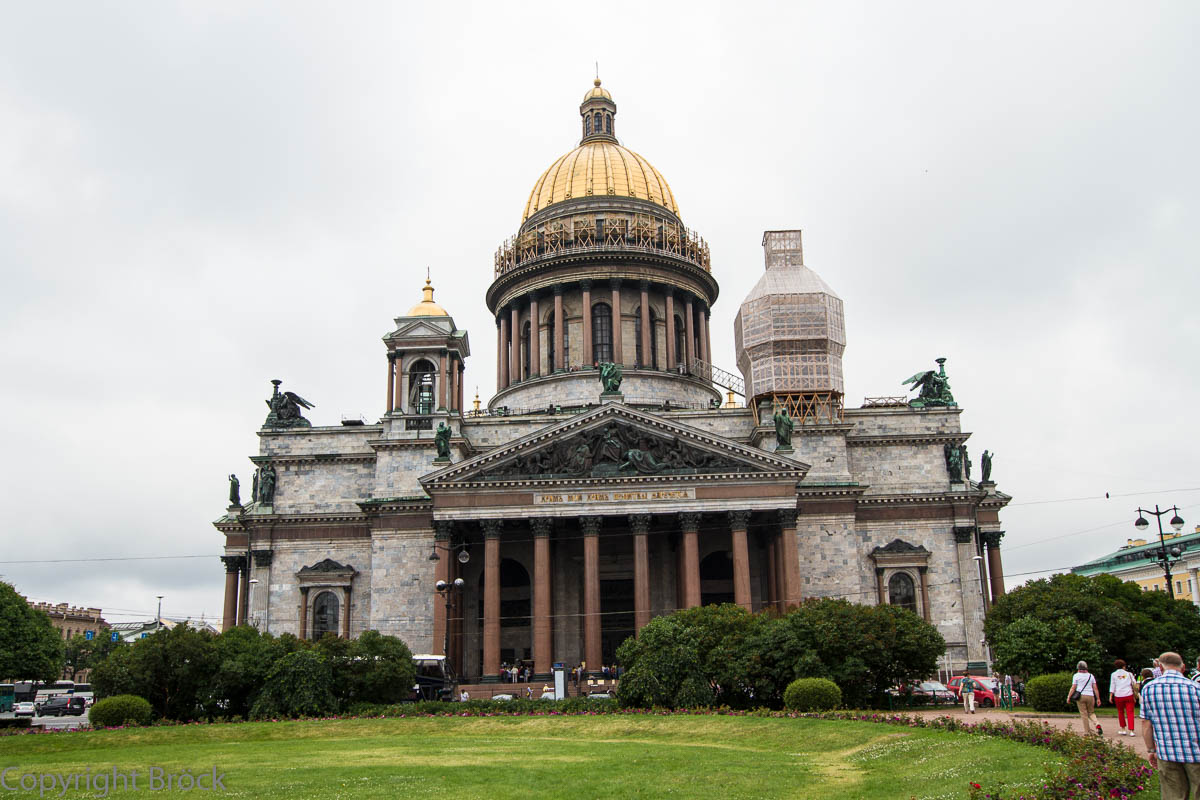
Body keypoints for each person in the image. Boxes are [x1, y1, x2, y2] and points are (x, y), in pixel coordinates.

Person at [1139, 651, 1200, 799]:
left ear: (1160, 668)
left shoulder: (1149, 689)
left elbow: (1146, 723)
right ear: (1183, 668)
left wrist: (1151, 749)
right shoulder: (1195, 688)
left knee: (1173, 795)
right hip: (1196, 751)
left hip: (1167, 751)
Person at [1067, 661, 1103, 736]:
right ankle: (1097, 724)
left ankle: (1087, 731)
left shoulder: (1076, 676)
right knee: (1091, 712)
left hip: (1081, 696)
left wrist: (1069, 697)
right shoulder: (1091, 676)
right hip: (1090, 696)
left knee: (1084, 714)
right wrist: (1098, 698)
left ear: (1078, 668)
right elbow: (1095, 688)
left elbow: (1073, 687)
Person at [1109, 658, 1137, 736]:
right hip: (1128, 694)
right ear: (1123, 666)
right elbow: (1134, 684)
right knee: (1130, 712)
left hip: (1118, 695)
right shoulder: (1129, 674)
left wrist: (1111, 695)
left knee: (1120, 712)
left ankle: (1123, 729)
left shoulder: (1113, 674)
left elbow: (1112, 685)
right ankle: (1131, 730)